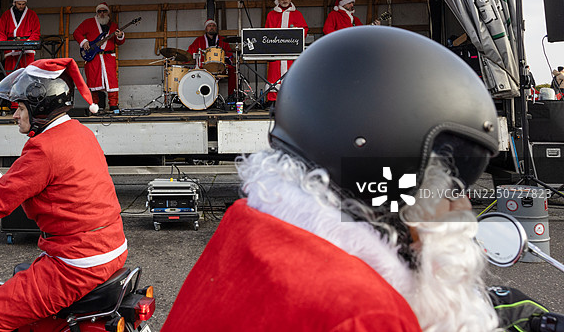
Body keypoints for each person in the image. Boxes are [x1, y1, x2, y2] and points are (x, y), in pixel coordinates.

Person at [162, 27, 502, 331]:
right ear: (386, 176)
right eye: (447, 187)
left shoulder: (248, 225)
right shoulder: (366, 315)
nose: (463, 205)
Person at [0, 58, 125, 332]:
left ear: (40, 107)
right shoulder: (80, 132)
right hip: (109, 248)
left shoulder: (44, 149)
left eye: (21, 108)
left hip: (75, 263)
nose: (15, 115)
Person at [73, 3, 126, 112]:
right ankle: (95, 106)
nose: (102, 13)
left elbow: (119, 42)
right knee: (93, 81)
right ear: (96, 13)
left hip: (108, 58)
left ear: (108, 13)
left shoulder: (113, 26)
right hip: (94, 58)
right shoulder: (88, 22)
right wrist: (84, 42)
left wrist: (120, 36)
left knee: (112, 81)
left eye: (104, 11)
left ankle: (113, 105)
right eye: (99, 11)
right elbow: (76, 33)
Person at [264, 0, 308, 103]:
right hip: (276, 50)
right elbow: (267, 31)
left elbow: (304, 29)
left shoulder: (297, 14)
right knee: (274, 75)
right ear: (278, 0)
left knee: (292, 72)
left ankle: (292, 99)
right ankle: (274, 100)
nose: (284, 0)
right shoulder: (271, 15)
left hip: (291, 50)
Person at [186, 19, 237, 97]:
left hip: (220, 66)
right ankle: (199, 96)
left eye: (213, 26)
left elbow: (229, 53)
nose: (212, 28)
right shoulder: (199, 40)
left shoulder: (223, 40)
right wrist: (185, 58)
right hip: (204, 66)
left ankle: (232, 95)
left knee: (233, 70)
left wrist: (228, 59)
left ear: (216, 28)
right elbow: (190, 52)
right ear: (206, 28)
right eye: (209, 26)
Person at [0, 0, 41, 71]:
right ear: (14, 3)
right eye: (19, 4)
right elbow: (1, 32)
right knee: (10, 73)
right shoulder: (6, 15)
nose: (21, 6)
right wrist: (3, 43)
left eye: (23, 4)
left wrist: (29, 42)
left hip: (27, 49)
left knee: (27, 72)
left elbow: (36, 32)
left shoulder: (32, 15)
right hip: (11, 48)